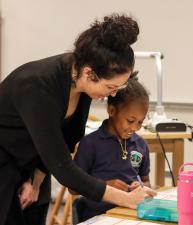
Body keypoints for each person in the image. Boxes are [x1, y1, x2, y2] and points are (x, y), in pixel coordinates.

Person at [0, 13, 156, 225]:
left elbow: (66, 141)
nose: (112, 94)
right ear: (89, 73)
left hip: (35, 161)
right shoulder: (38, 86)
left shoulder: (82, 85)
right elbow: (64, 168)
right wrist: (126, 199)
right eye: (110, 87)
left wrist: (35, 182)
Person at [70, 78, 152, 223]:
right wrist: (105, 186)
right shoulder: (90, 144)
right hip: (98, 218)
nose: (135, 128)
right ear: (111, 110)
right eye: (130, 121)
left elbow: (145, 181)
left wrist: (140, 187)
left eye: (140, 122)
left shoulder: (141, 145)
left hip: (130, 216)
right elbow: (73, 188)